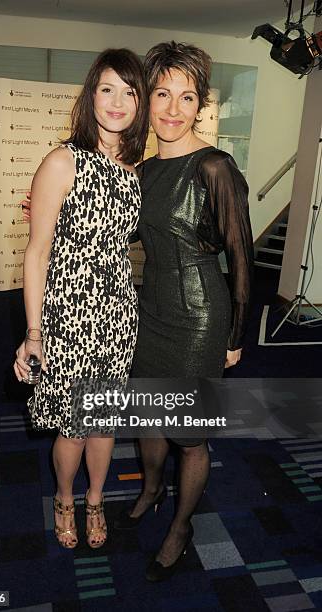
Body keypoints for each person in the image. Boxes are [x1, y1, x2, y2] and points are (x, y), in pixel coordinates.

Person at [114, 41, 253, 582]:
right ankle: (151, 488)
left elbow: (240, 257)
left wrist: (235, 335)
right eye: (163, 95)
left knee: (188, 433)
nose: (174, 109)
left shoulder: (215, 167)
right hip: (150, 309)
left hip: (199, 315)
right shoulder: (143, 171)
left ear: (202, 105)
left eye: (187, 97)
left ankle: (181, 526)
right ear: (146, 102)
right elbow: (118, 233)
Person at [13, 48, 148, 550]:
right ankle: (65, 498)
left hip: (118, 313)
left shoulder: (137, 169)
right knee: (72, 425)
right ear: (91, 93)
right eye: (108, 88)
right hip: (67, 312)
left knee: (104, 421)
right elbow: (36, 252)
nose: (118, 102)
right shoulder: (61, 160)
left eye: (130, 92)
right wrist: (33, 333)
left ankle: (96, 500)